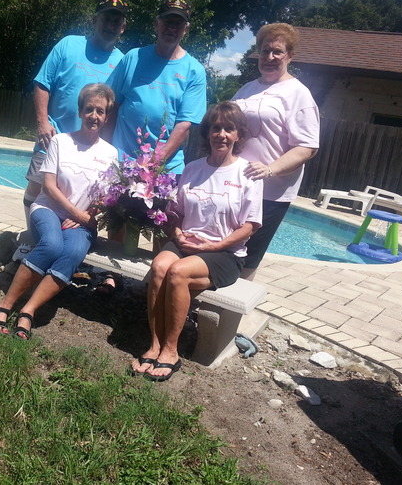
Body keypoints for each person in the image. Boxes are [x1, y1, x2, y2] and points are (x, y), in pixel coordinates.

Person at [131, 101, 263, 381]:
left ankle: (170, 350)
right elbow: (174, 213)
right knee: (159, 268)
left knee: (178, 273)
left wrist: (211, 246)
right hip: (185, 242)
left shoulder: (248, 173)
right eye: (216, 128)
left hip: (224, 253)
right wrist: (177, 234)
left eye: (229, 129)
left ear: (239, 135)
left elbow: (251, 225)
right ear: (207, 133)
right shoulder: (192, 169)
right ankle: (154, 343)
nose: (221, 135)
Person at [0, 84, 118, 339]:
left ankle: (28, 310)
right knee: (50, 244)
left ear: (106, 116)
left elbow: (108, 196)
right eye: (89, 109)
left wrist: (88, 215)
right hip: (48, 209)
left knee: (71, 252)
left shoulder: (110, 153)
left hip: (81, 221)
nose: (94, 115)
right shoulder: (61, 141)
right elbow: (48, 185)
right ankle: (5, 305)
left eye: (100, 111)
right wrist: (75, 212)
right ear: (80, 111)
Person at [22, 0, 129, 224]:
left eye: (116, 22)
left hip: (90, 146)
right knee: (36, 186)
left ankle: (62, 241)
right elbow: (42, 83)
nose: (110, 25)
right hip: (54, 136)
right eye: (106, 19)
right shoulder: (68, 44)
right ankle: (30, 240)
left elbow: (115, 107)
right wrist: (42, 122)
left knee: (80, 197)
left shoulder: (122, 62)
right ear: (94, 20)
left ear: (123, 27)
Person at [232, 23, 320, 280]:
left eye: (277, 52)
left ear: (290, 56)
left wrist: (270, 170)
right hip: (236, 185)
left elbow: (307, 147)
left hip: (270, 193)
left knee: (249, 255)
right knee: (224, 246)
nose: (270, 57)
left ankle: (232, 316)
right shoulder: (247, 89)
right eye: (265, 51)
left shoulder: (298, 94)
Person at [106, 0, 207, 174]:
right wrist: (104, 151)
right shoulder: (133, 58)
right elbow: (111, 106)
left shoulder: (195, 71)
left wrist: (152, 164)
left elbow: (184, 126)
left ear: (186, 29)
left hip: (165, 170)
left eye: (178, 24)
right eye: (167, 22)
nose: (172, 28)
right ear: (157, 24)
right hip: (120, 162)